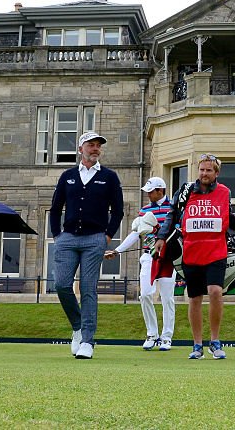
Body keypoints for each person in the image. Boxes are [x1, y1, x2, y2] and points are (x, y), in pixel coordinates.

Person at [155, 154, 235, 360]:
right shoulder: (186, 191)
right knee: (194, 298)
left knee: (215, 291)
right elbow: (172, 214)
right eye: (202, 169)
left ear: (217, 173)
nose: (204, 173)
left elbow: (229, 217)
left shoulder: (224, 192)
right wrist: (161, 237)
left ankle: (215, 342)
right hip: (191, 251)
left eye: (209, 170)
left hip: (216, 251)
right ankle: (197, 345)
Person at [49, 131, 123, 360]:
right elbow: (55, 208)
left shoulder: (109, 177)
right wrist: (57, 235)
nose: (95, 148)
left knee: (88, 289)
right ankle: (78, 327)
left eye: (98, 145)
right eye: (91, 145)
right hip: (68, 238)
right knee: (61, 285)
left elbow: (118, 210)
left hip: (95, 240)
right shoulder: (67, 176)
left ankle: (88, 341)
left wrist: (108, 236)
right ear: (81, 148)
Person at [105, 176, 175, 351]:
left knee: (167, 298)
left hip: (169, 258)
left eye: (151, 192)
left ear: (161, 191)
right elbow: (135, 234)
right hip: (148, 256)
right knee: (144, 295)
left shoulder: (173, 208)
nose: (148, 195)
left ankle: (166, 337)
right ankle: (152, 334)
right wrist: (118, 250)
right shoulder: (144, 210)